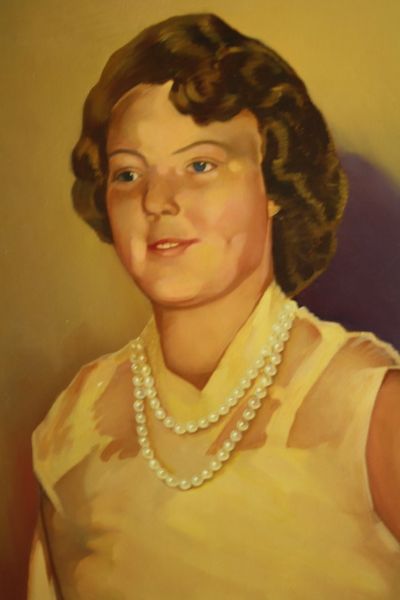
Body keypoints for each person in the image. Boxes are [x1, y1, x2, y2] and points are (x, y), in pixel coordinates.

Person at [28, 13, 400, 600]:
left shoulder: (369, 408)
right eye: (128, 173)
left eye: (200, 165)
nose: (157, 200)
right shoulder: (72, 428)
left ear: (274, 186)